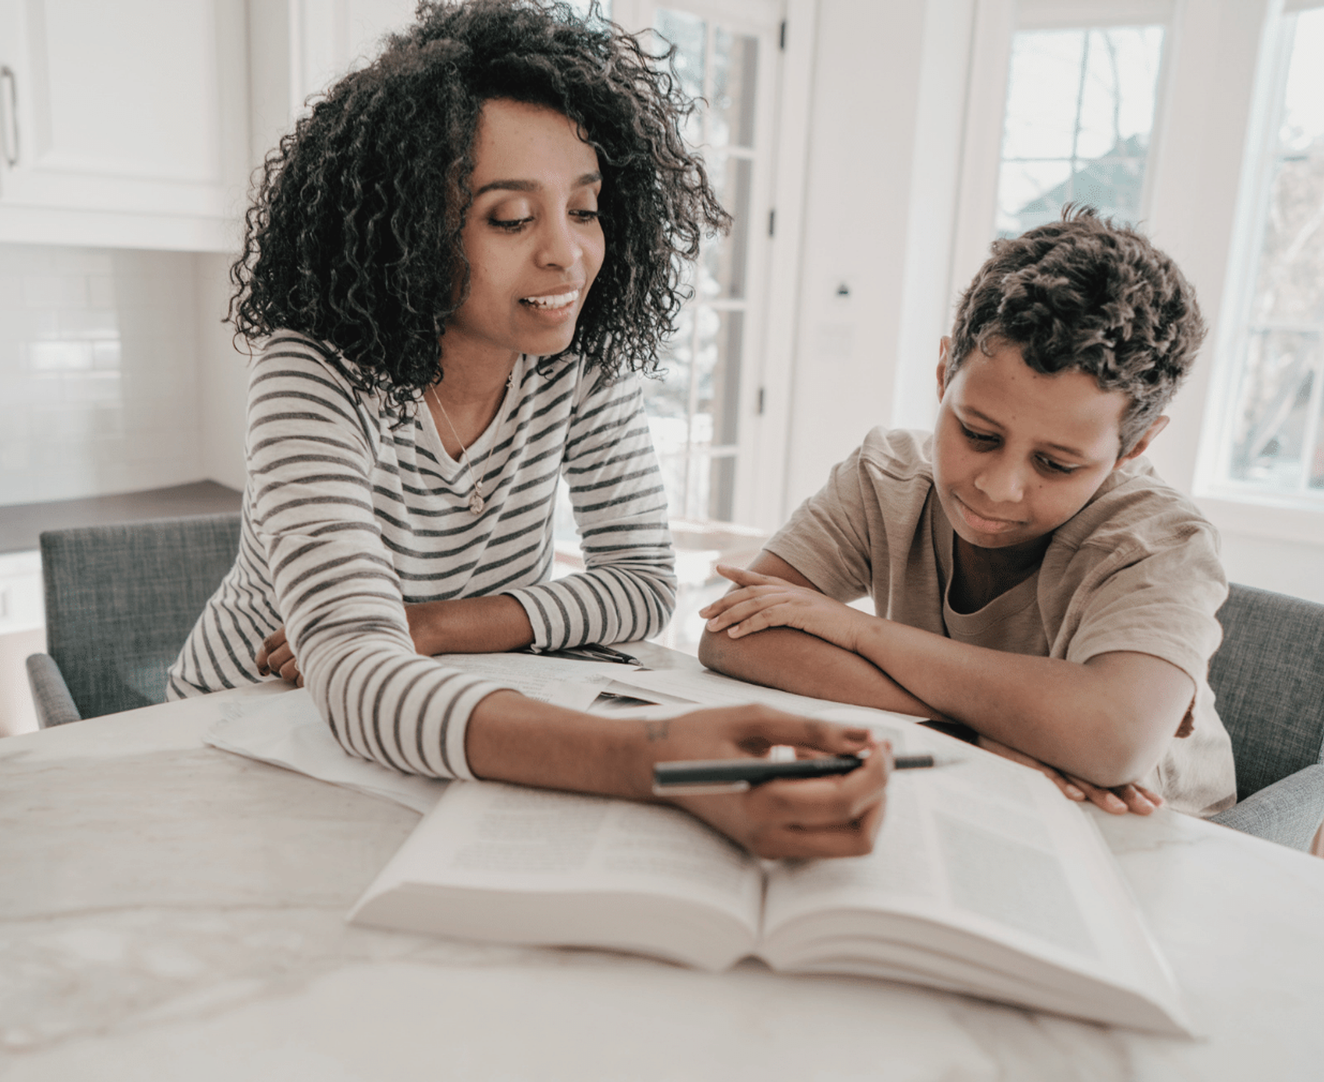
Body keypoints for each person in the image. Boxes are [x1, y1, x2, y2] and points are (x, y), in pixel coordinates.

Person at [169, 0, 891, 859]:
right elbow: (356, 671)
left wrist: (436, 624)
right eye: (511, 218)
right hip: (241, 732)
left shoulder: (574, 357)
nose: (567, 256)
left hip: (446, 715)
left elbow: (641, 586)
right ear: (408, 233)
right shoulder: (313, 372)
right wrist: (659, 763)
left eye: (584, 210)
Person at [698, 206, 1235, 820]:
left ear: (1134, 446)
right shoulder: (886, 476)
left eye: (1056, 465)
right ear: (943, 373)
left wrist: (859, 631)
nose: (999, 488)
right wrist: (975, 733)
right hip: (977, 789)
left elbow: (1111, 742)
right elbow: (733, 635)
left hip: (1161, 835)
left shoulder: (1161, 540)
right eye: (978, 433)